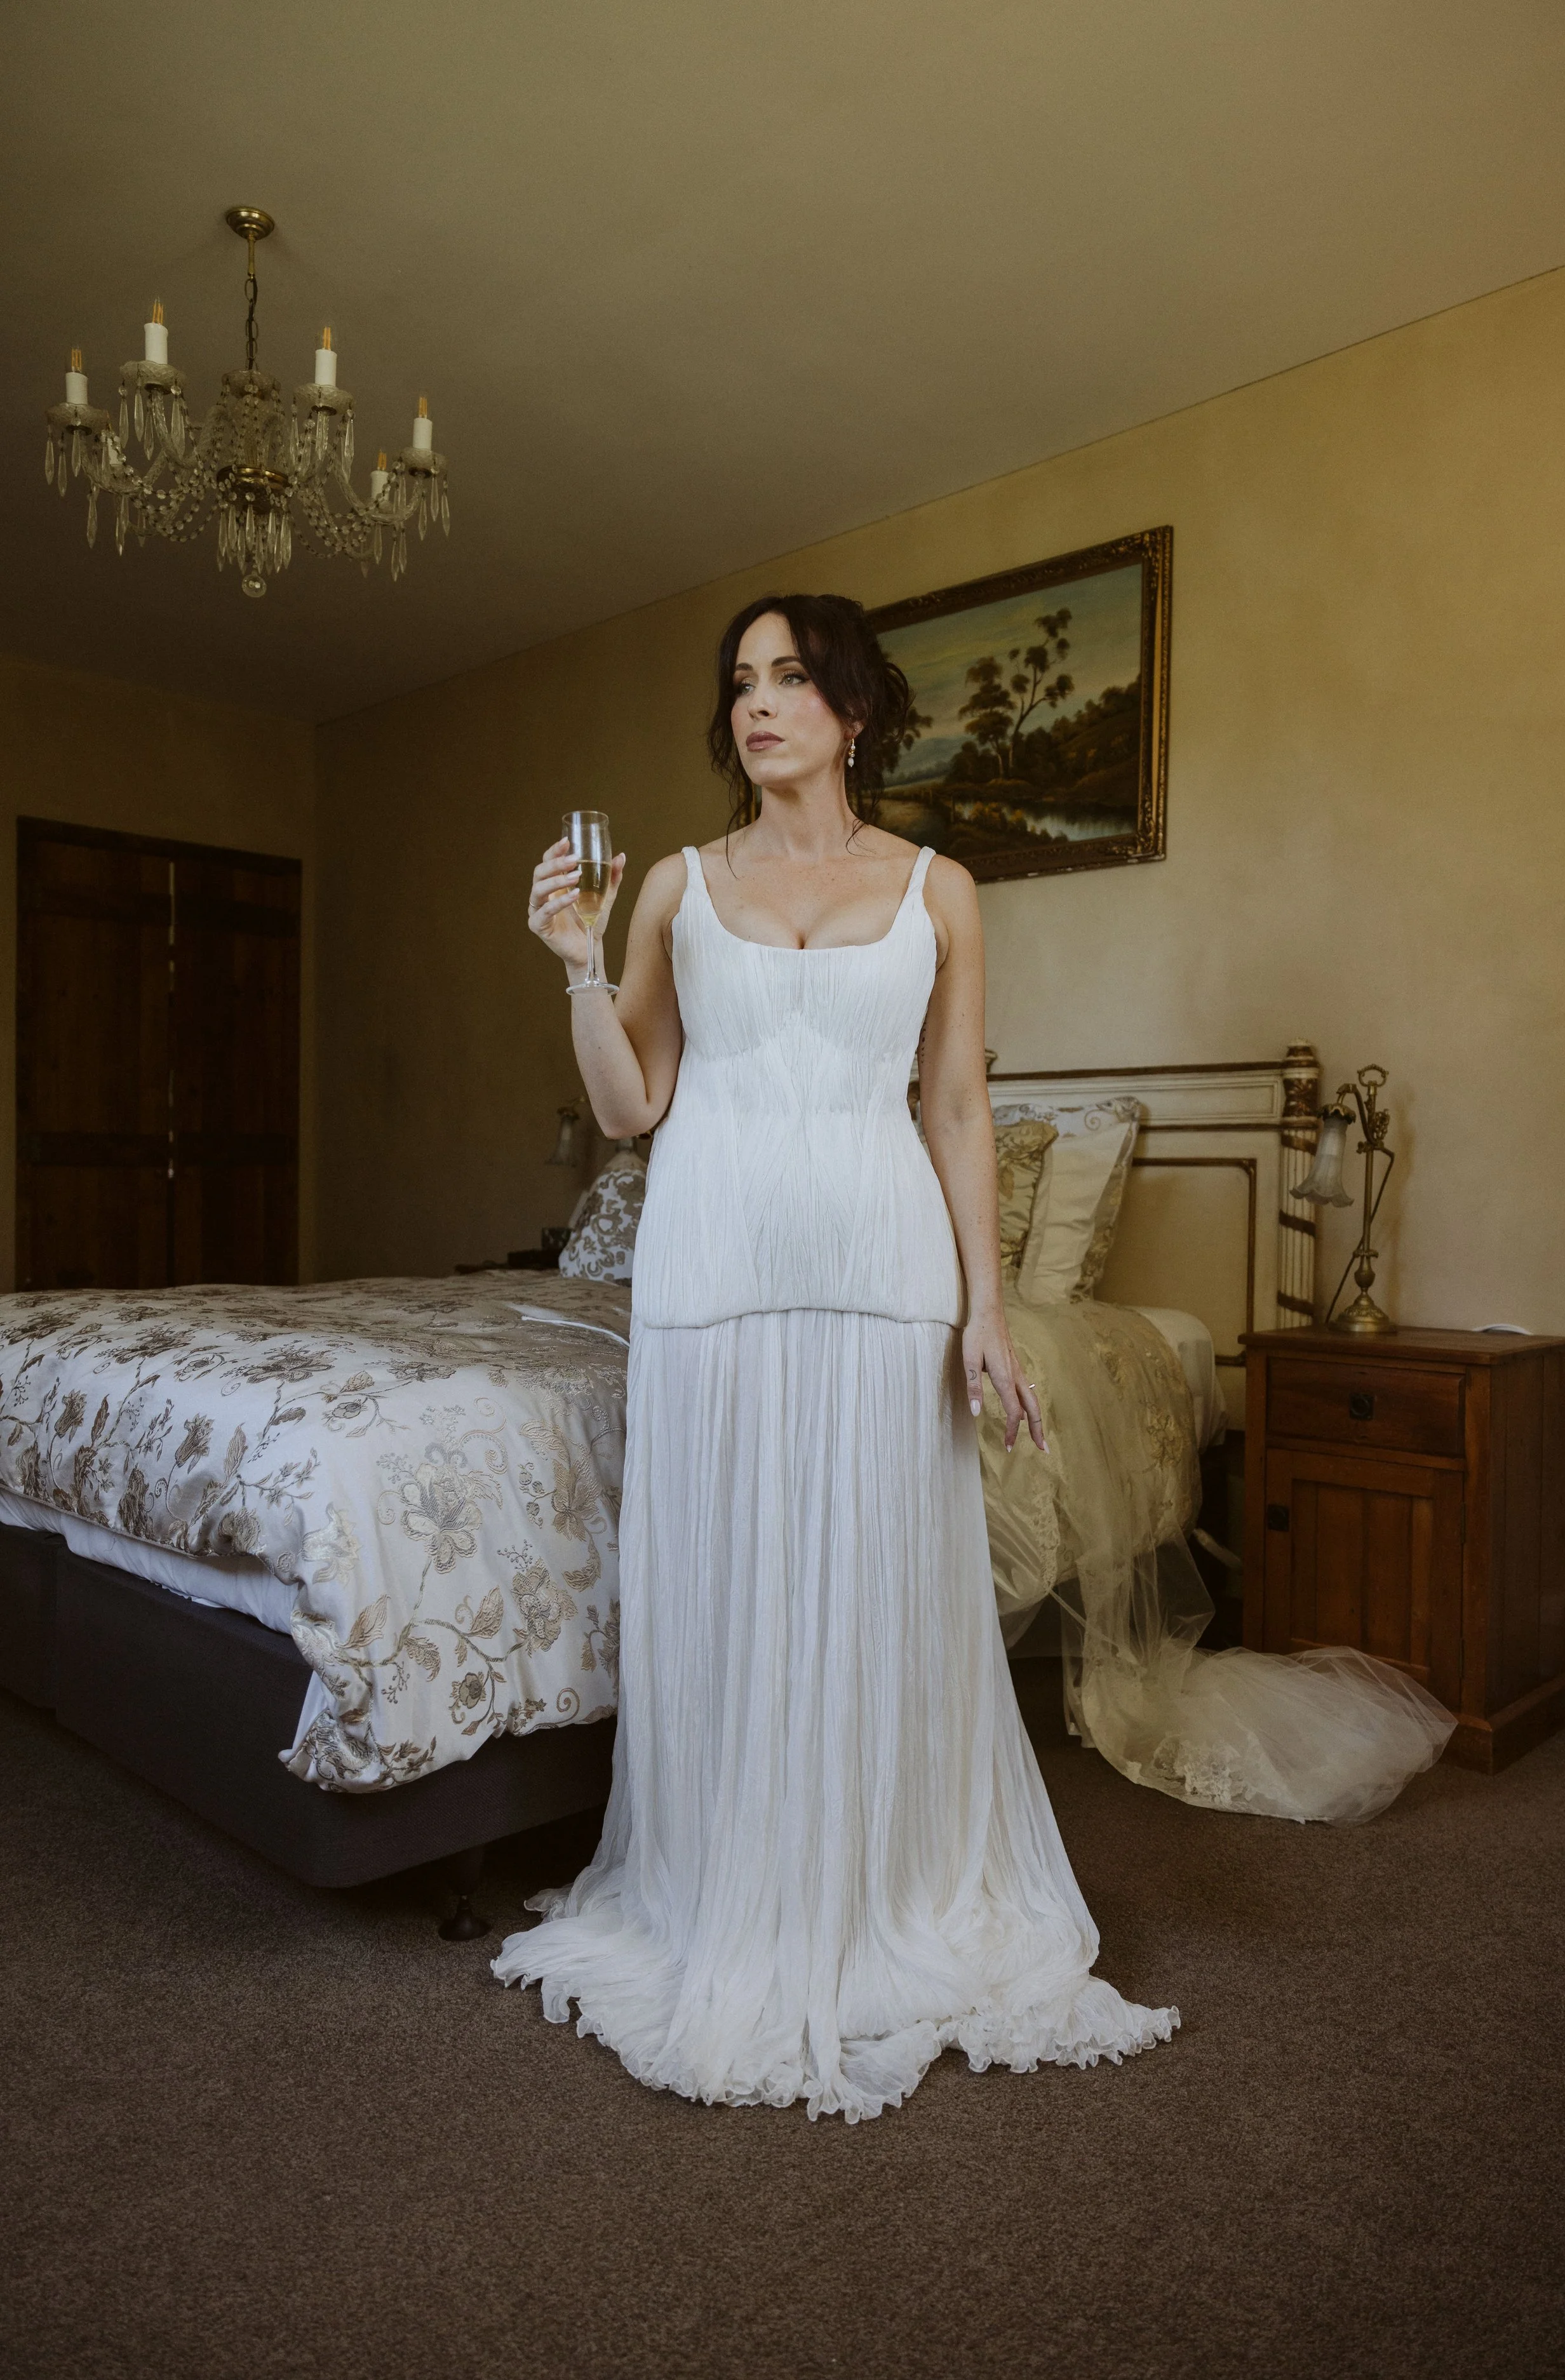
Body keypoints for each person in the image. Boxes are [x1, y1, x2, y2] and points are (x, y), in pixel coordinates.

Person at [494, 592, 1178, 2120]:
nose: (758, 704)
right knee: (731, 1584)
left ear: (852, 711)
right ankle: (728, 1891)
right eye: (741, 682)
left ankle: (881, 1891)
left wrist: (983, 1313)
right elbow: (627, 1108)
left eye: (790, 677)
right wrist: (573, 955)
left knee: (870, 1584)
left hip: (882, 1279)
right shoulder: (676, 880)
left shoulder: (939, 887)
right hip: (708, 1274)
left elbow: (949, 1111)